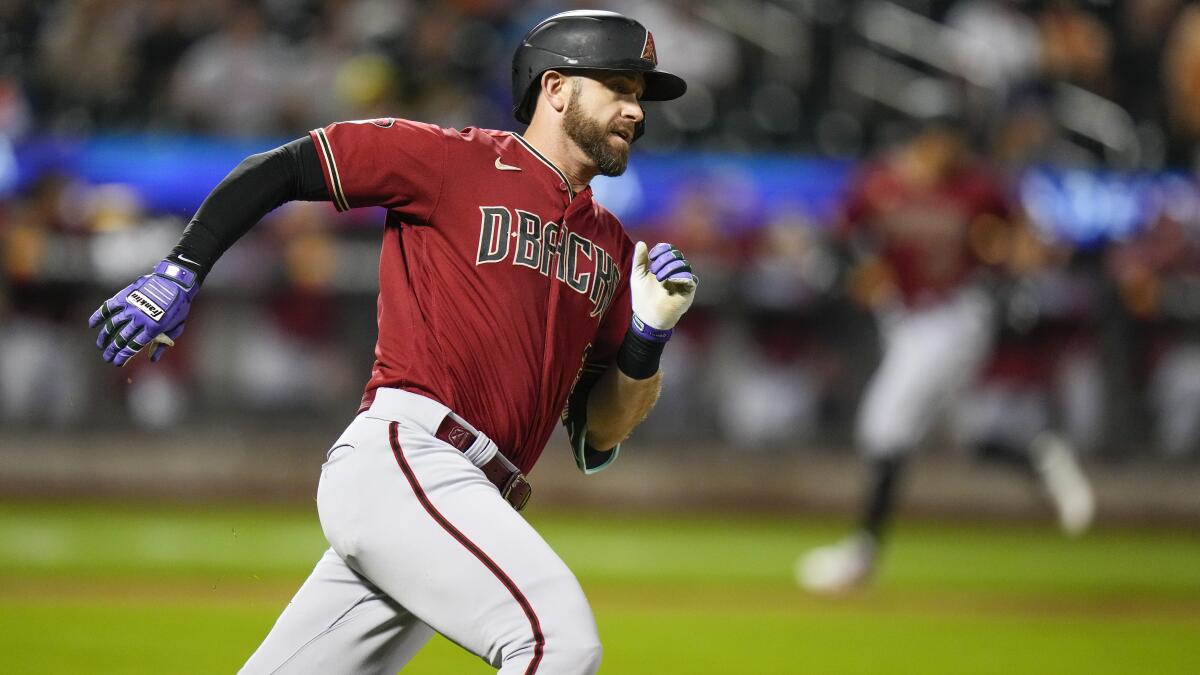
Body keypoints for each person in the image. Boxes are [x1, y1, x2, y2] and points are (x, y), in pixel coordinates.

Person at [87, 10, 696, 674]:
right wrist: (183, 267)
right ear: (555, 88)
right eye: (620, 86)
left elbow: (596, 437)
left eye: (639, 94)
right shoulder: (454, 159)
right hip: (410, 460)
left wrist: (647, 335)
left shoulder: (611, 244)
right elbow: (288, 165)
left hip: (459, 497)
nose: (636, 110)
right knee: (556, 641)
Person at [797, 120, 1094, 594]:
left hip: (956, 316)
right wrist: (856, 274)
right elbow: (836, 241)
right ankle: (1041, 456)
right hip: (903, 319)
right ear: (919, 138)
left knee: (884, 423)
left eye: (954, 138)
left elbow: (1023, 240)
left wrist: (1012, 261)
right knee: (966, 434)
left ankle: (862, 554)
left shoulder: (977, 186)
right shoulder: (881, 183)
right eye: (939, 138)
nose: (947, 149)